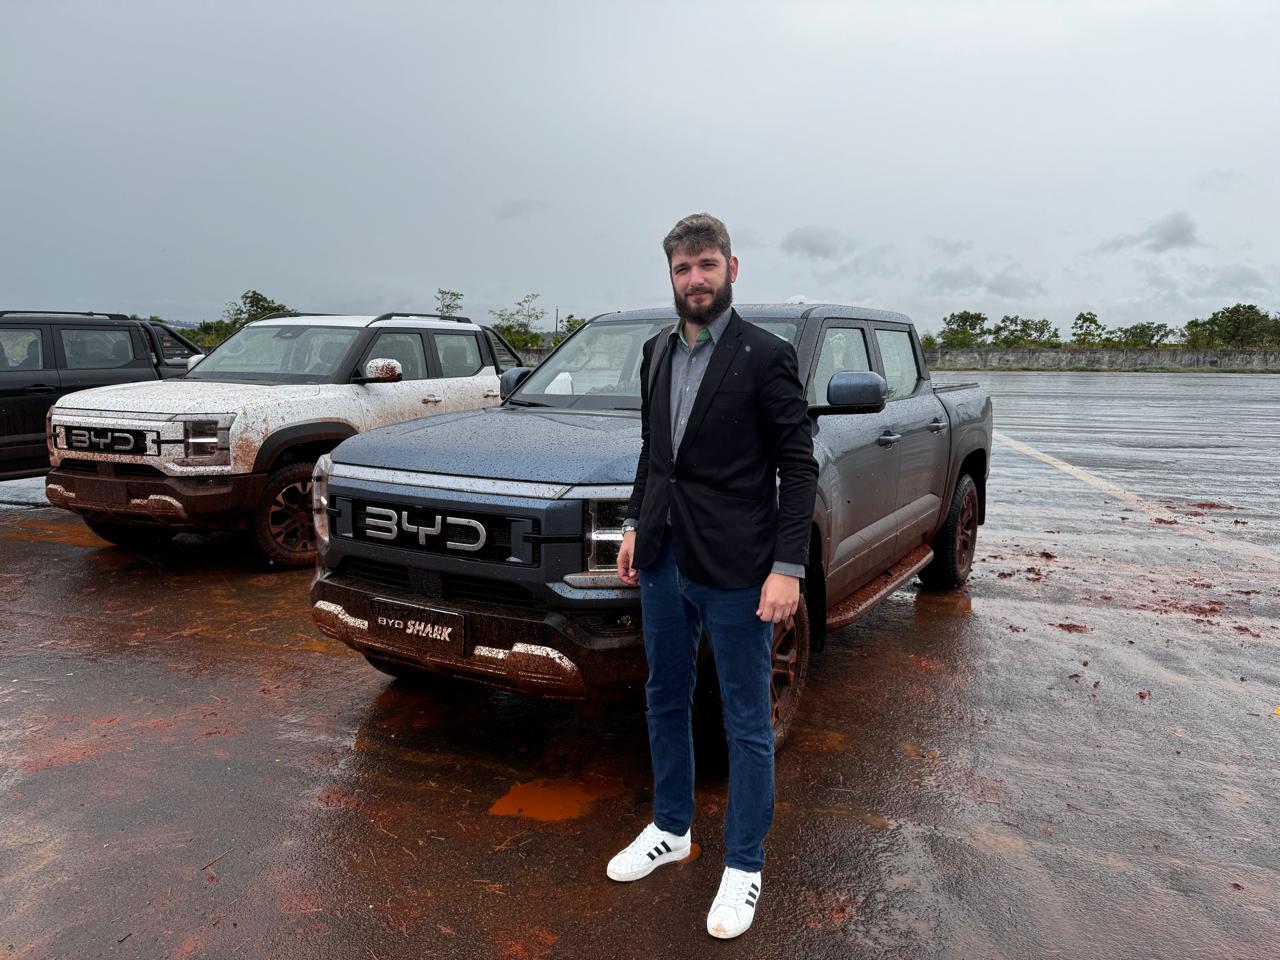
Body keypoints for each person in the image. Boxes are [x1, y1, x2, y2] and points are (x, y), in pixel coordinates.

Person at [607, 213, 819, 939]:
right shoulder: (656, 352)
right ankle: (672, 828)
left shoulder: (766, 356)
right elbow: (654, 453)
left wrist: (787, 568)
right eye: (681, 268)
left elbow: (799, 466)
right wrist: (636, 523)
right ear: (669, 276)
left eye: (706, 264)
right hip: (665, 558)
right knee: (664, 695)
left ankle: (745, 865)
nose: (694, 279)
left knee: (745, 720)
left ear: (733, 267)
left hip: (739, 568)